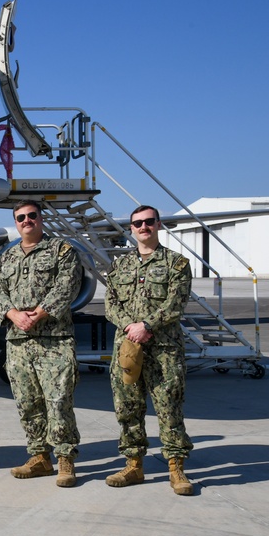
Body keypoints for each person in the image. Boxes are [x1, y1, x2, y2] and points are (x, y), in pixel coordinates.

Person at [0, 201, 82, 487]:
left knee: (59, 401)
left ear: (40, 219)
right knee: (28, 403)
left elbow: (67, 285)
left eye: (32, 216)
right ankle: (39, 457)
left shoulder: (61, 250)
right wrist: (13, 314)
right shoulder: (7, 258)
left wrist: (39, 313)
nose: (27, 221)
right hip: (18, 342)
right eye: (21, 218)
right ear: (16, 223)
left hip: (54, 339)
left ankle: (65, 459)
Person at [105, 205, 194, 496]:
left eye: (148, 222)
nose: (143, 227)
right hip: (129, 349)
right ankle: (134, 465)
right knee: (128, 408)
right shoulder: (120, 266)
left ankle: (176, 467)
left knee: (169, 408)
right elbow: (110, 304)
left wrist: (147, 325)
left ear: (158, 225)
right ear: (131, 229)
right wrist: (131, 326)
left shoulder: (177, 263)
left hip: (164, 350)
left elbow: (175, 304)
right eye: (137, 223)